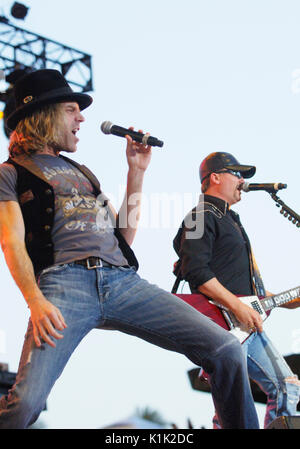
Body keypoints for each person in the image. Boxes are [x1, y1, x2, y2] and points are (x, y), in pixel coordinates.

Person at [0, 70, 259, 430]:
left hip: (123, 281)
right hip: (64, 287)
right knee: (25, 403)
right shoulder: (10, 173)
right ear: (44, 115)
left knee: (226, 349)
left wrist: (135, 171)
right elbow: (11, 242)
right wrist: (34, 299)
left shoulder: (83, 172)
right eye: (72, 109)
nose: (82, 118)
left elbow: (122, 238)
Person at [173, 151, 300, 429]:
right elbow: (196, 272)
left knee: (287, 385)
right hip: (222, 326)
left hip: (246, 324)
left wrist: (279, 300)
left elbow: (240, 284)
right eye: (237, 174)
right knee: (231, 404)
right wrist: (238, 306)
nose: (242, 181)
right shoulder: (197, 216)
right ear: (215, 178)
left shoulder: (233, 220)